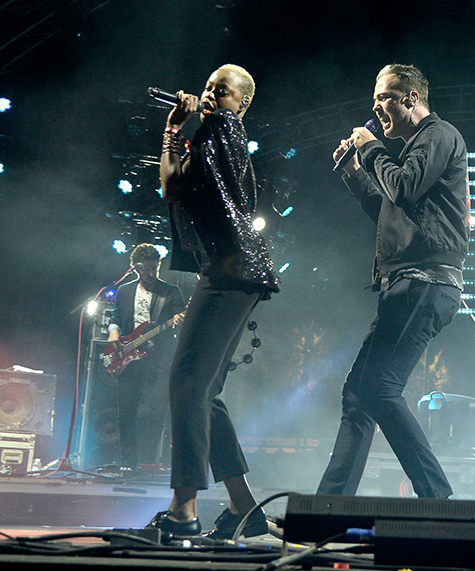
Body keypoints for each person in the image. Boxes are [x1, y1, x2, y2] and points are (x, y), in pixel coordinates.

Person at [317, 64, 469, 499]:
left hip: (425, 282)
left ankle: (437, 498)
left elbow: (402, 188)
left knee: (380, 388)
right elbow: (388, 210)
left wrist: (368, 150)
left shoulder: (439, 135)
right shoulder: (408, 152)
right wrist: (353, 171)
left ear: (410, 98)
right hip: (405, 283)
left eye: (383, 97)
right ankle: (330, 505)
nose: (376, 106)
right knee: (358, 394)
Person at [145, 64, 280, 540]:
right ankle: (246, 509)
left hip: (230, 269)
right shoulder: (210, 135)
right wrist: (173, 131)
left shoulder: (223, 128)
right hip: (234, 271)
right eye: (207, 87)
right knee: (206, 393)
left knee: (185, 381)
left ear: (240, 103)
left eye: (220, 91)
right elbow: (173, 185)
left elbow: (170, 187)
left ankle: (183, 511)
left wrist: (181, 130)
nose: (208, 95)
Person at [107, 244, 185, 470]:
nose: (152, 274)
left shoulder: (171, 292)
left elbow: (182, 317)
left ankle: (149, 463)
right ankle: (127, 464)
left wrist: (179, 320)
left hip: (159, 360)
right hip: (129, 359)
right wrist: (114, 333)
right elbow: (116, 317)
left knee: (155, 413)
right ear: (137, 268)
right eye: (148, 270)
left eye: (156, 269)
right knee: (126, 413)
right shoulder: (124, 291)